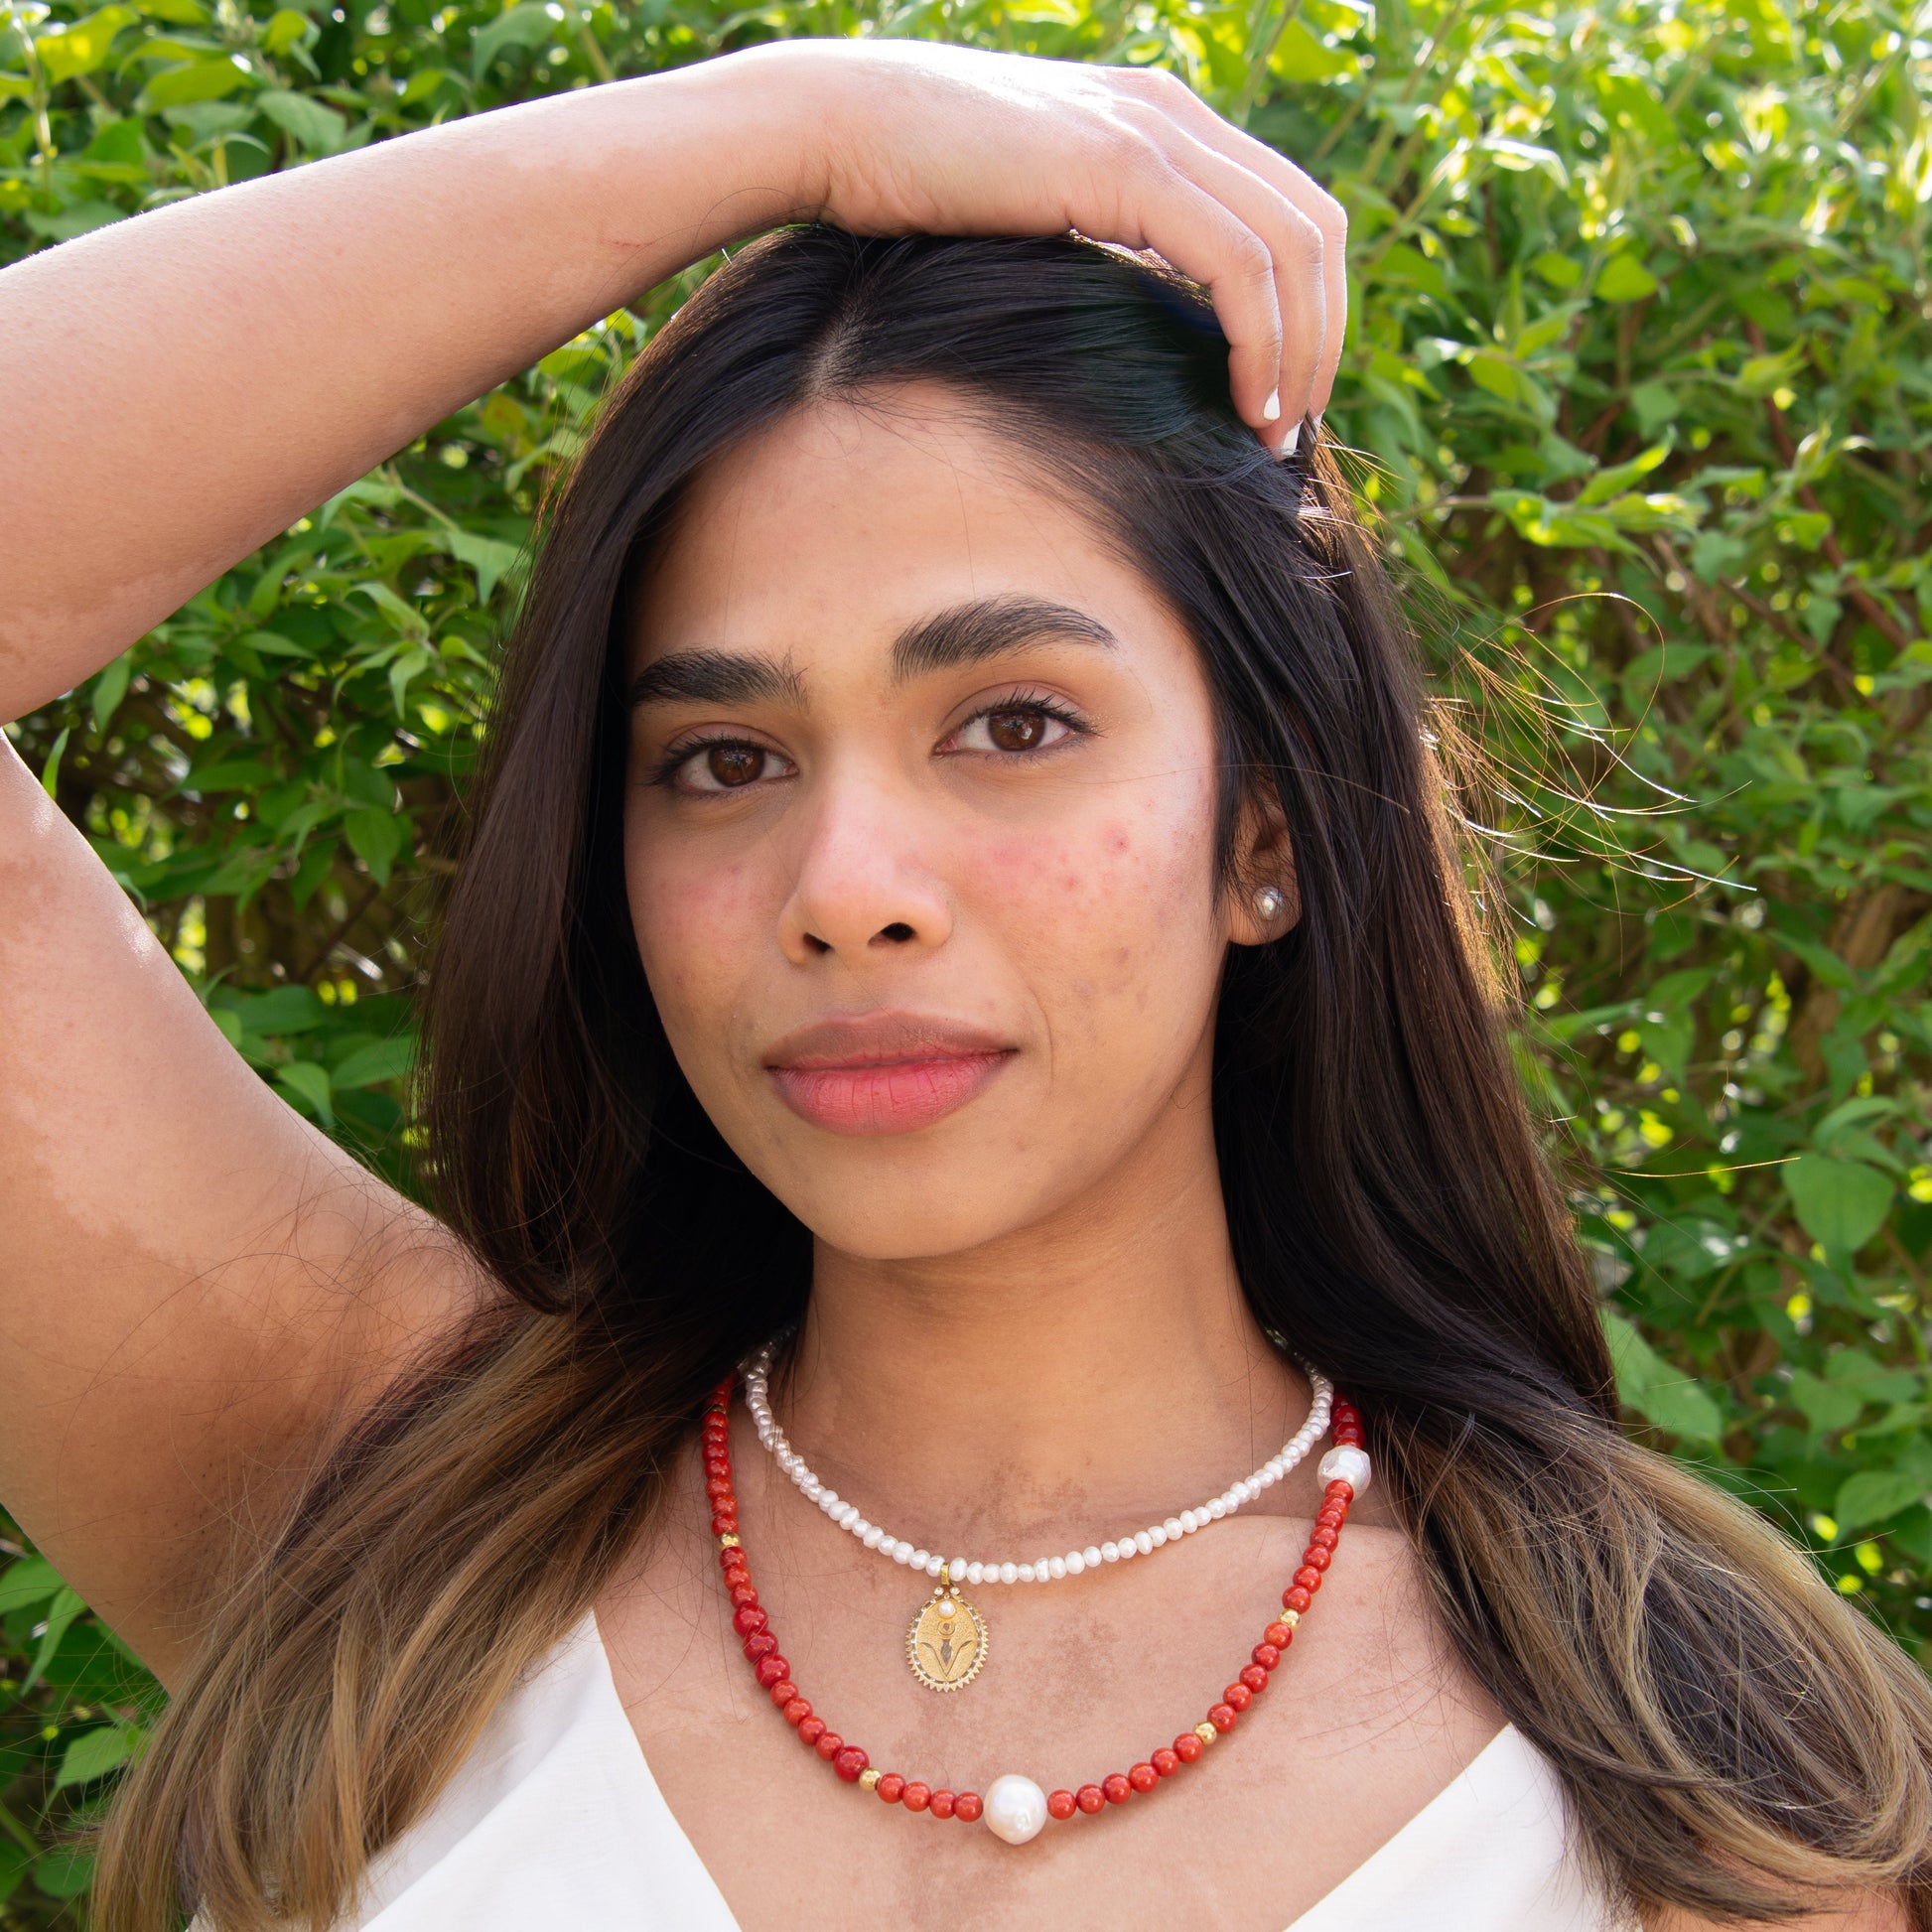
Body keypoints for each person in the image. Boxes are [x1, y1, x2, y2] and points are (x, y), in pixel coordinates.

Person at [1, 37, 1926, 1932]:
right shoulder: (368, 1504)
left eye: (1011, 722)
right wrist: (787, 118)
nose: (845, 891)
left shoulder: (1709, 1794)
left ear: (1264, 830)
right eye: (723, 760)